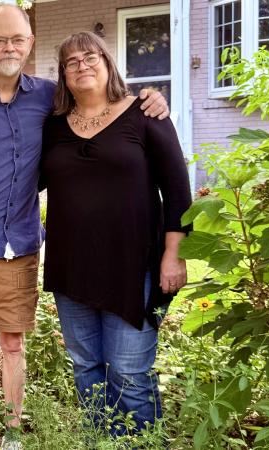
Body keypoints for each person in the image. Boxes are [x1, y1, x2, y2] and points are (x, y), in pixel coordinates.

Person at [0, 6, 169, 450]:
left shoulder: (51, 99)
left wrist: (150, 98)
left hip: (17, 243)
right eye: (0, 39)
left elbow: (104, 106)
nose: (9, 47)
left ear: (30, 44)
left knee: (13, 344)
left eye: (18, 39)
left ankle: (13, 436)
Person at [40, 31, 191, 436]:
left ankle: (140, 445)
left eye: (91, 57)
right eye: (71, 62)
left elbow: (177, 192)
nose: (82, 66)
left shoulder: (145, 114)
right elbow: (22, 176)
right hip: (71, 269)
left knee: (128, 373)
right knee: (86, 367)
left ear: (108, 63)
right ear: (64, 77)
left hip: (133, 266)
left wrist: (172, 255)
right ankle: (100, 442)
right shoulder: (53, 127)